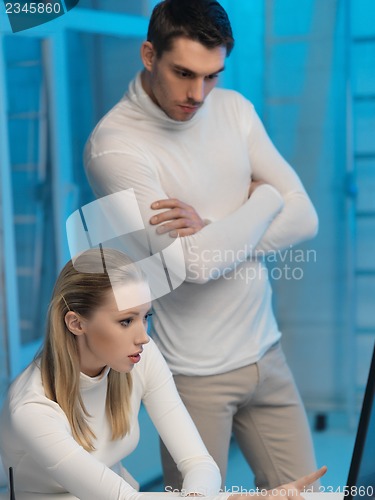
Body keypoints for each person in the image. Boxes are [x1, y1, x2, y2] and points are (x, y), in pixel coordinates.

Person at [83, 0, 320, 492]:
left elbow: (306, 219)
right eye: (184, 73)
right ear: (149, 54)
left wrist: (212, 226)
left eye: (212, 76)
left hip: (266, 351)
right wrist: (267, 199)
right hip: (193, 376)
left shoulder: (234, 110)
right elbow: (193, 264)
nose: (198, 94)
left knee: (308, 494)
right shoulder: (115, 146)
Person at [0, 248, 326, 500]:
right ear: (76, 323)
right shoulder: (32, 409)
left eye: (146, 317)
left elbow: (200, 463)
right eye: (126, 321)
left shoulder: (139, 356)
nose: (143, 336)